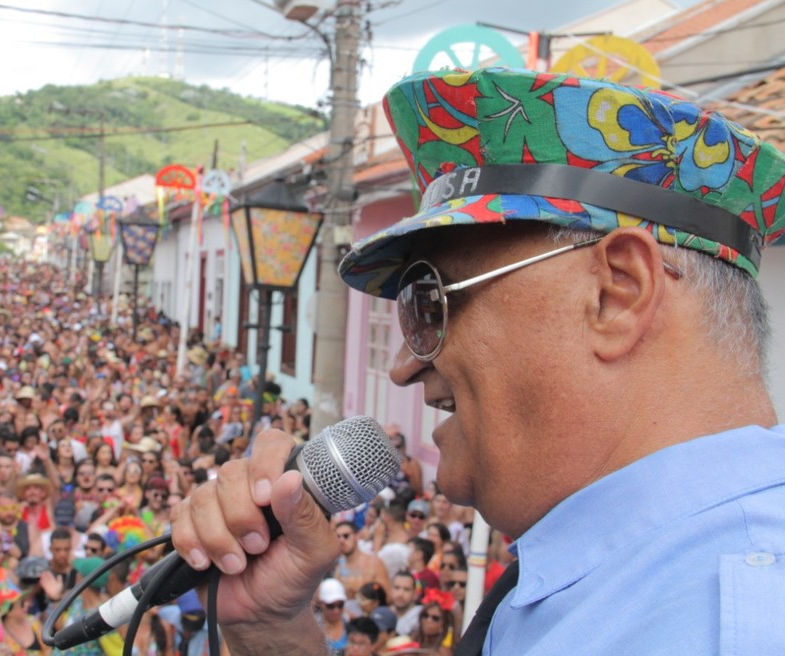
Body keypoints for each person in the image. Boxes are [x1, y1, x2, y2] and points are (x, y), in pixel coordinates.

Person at [167, 66, 785, 654]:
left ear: (615, 294)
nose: (405, 367)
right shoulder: (622, 574)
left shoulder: (739, 624)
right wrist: (275, 636)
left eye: (429, 302)